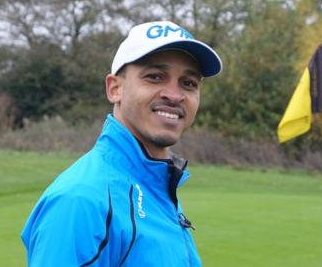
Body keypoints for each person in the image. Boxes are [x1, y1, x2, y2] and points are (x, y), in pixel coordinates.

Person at [21, 20, 222, 267]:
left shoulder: (156, 183)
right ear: (115, 88)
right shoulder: (81, 199)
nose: (174, 94)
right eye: (155, 76)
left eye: (188, 83)